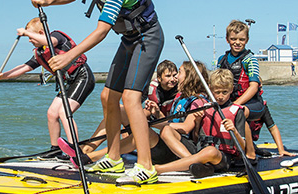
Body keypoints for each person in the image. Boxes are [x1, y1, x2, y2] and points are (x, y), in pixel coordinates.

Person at [32, 0, 164, 184]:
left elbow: (102, 30)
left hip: (148, 37)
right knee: (107, 97)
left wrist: (69, 55)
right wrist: (49, 1)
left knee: (131, 98)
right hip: (129, 39)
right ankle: (113, 159)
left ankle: (146, 166)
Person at [61, 61, 209, 170]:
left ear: (189, 77)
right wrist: (154, 114)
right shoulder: (179, 97)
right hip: (165, 144)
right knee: (119, 110)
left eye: (179, 73)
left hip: (177, 151)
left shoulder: (198, 101)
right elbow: (165, 119)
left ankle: (89, 157)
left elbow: (185, 128)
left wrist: (151, 123)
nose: (176, 77)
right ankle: (86, 150)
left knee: (143, 132)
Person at [156, 69, 293, 177]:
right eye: (217, 92)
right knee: (166, 131)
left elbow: (244, 148)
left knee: (210, 151)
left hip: (224, 157)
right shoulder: (205, 107)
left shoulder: (237, 112)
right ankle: (194, 163)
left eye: (224, 92)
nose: (220, 96)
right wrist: (197, 123)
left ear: (231, 90)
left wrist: (233, 131)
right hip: (201, 150)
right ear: (210, 89)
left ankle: (159, 169)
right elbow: (197, 138)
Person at [0, 18, 95, 156]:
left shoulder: (57, 37)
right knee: (52, 113)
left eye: (31, 37)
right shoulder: (40, 52)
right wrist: (3, 75)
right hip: (69, 82)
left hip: (83, 77)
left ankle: (76, 151)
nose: (29, 40)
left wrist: (25, 32)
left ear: (41, 32)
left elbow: (50, 41)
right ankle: (55, 150)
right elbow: (24, 68)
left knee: (64, 112)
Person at [81, 59, 178, 154]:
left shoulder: (181, 95)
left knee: (134, 115)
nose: (172, 79)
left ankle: (90, 153)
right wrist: (125, 130)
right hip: (151, 125)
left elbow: (175, 126)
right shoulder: (150, 88)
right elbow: (132, 109)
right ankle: (86, 148)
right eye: (168, 76)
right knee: (118, 110)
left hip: (167, 136)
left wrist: (157, 113)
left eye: (174, 75)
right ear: (159, 78)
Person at [216, 20, 266, 161]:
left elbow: (254, 86)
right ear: (227, 40)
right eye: (233, 39)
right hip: (230, 102)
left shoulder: (250, 60)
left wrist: (236, 104)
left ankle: (250, 153)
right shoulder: (222, 60)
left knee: (239, 113)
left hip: (253, 104)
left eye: (241, 39)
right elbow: (215, 83)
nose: (237, 42)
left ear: (247, 40)